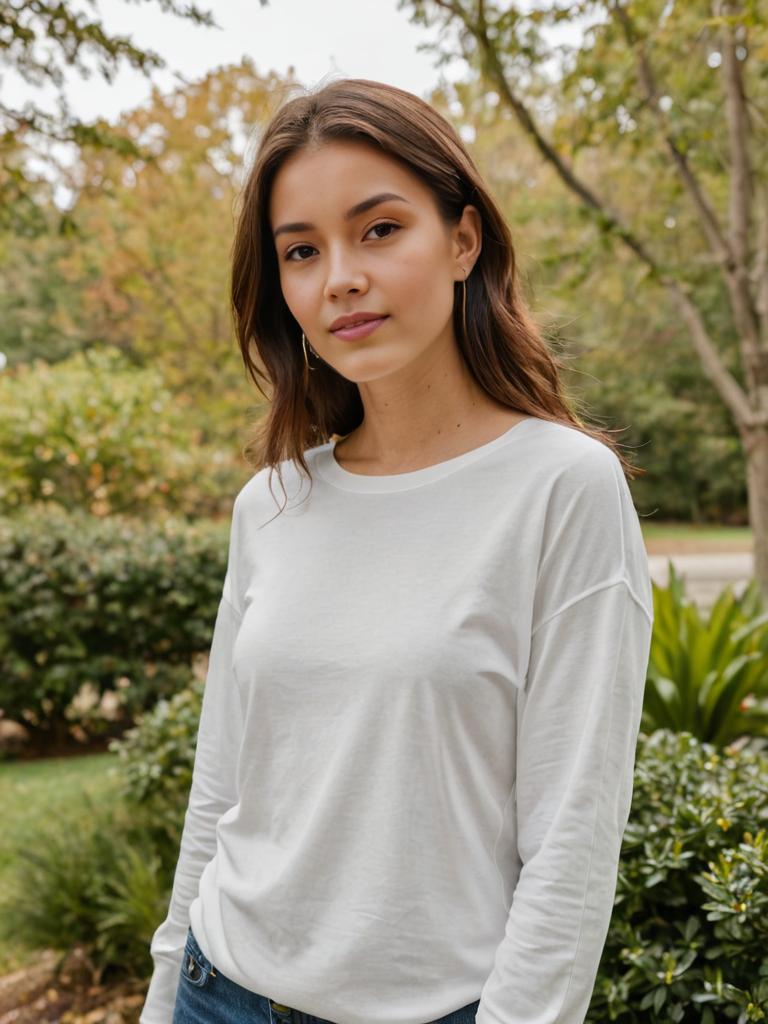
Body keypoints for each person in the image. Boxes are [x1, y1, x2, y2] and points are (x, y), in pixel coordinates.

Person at [139, 77, 654, 1024]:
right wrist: (167, 990)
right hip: (223, 992)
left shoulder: (563, 489)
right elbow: (221, 794)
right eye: (302, 250)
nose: (339, 276)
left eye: (378, 230)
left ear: (464, 241)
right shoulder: (274, 504)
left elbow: (573, 842)